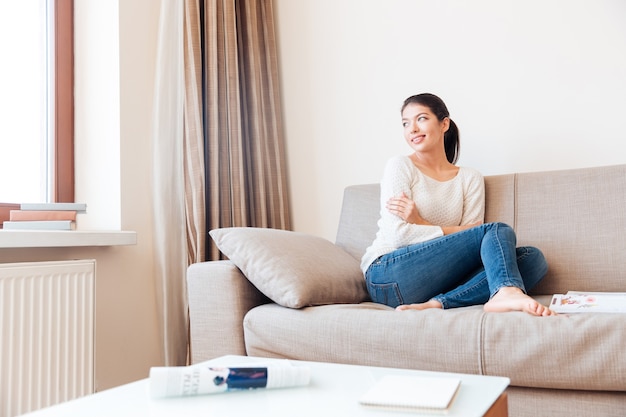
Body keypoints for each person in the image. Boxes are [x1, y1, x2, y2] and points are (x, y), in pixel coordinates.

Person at [361, 93, 556, 316]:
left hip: (439, 282)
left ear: (444, 124)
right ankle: (506, 291)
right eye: (406, 123)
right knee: (497, 230)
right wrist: (459, 231)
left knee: (532, 259)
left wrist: (420, 222)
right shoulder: (400, 165)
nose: (412, 129)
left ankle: (441, 303)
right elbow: (399, 236)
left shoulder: (470, 178)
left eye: (421, 118)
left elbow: (472, 245)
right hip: (388, 275)